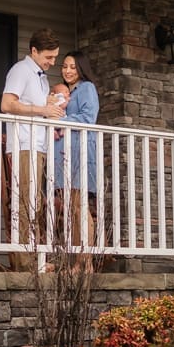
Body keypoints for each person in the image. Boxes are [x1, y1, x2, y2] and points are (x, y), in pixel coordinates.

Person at [1, 28, 66, 269]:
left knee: (35, 202)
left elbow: (35, 106)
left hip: (38, 145)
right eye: (48, 57)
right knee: (26, 203)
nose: (53, 62)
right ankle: (27, 264)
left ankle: (34, 258)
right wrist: (43, 110)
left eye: (55, 57)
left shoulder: (41, 76)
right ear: (34, 51)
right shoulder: (21, 70)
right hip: (24, 145)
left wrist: (49, 104)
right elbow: (7, 104)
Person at [53, 50, 100, 247]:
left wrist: (62, 120)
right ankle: (76, 261)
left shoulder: (87, 88)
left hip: (79, 152)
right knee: (71, 208)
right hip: (64, 154)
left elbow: (89, 118)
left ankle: (85, 262)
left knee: (80, 207)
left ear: (81, 68)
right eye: (64, 66)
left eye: (72, 67)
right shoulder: (64, 92)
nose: (68, 70)